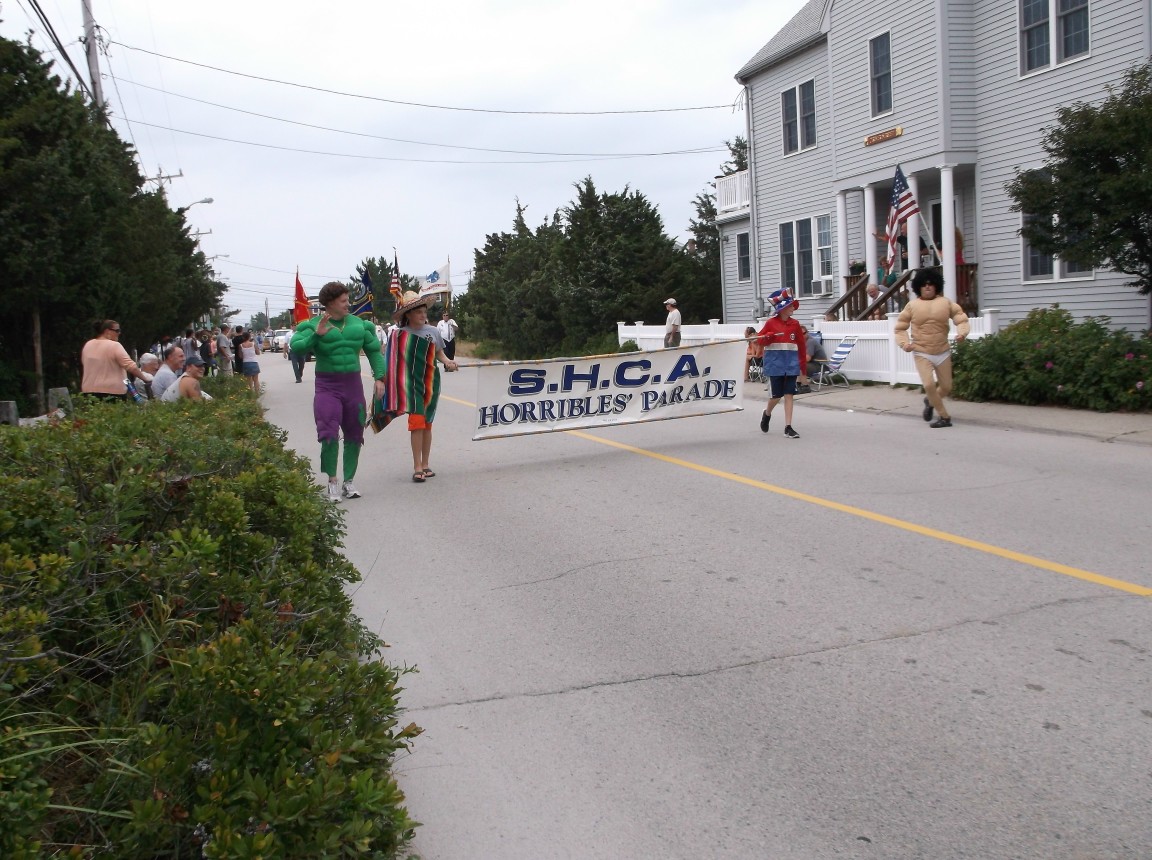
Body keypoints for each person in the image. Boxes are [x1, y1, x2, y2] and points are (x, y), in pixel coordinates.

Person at [290, 281, 386, 502]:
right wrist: (317, 334)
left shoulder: (360, 326)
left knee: (355, 434)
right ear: (330, 303)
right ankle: (332, 481)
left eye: (347, 300)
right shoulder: (310, 325)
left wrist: (380, 378)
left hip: (353, 386)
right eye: (343, 301)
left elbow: (374, 352)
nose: (348, 304)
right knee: (328, 433)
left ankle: (349, 481)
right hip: (327, 386)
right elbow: (296, 348)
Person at [383, 290, 459, 483]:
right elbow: (392, 362)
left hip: (431, 383)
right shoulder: (399, 335)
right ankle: (417, 466)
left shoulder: (433, 332)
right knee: (416, 423)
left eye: (424, 311)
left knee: (427, 424)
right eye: (418, 312)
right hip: (411, 385)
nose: (423, 315)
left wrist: (449, 362)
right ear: (408, 314)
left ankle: (426, 464)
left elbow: (440, 354)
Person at [894, 268, 970, 428]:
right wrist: (904, 344)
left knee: (947, 387)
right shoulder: (911, 306)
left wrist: (962, 333)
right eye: (924, 284)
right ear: (918, 287)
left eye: (930, 284)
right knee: (929, 385)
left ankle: (930, 401)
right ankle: (944, 417)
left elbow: (961, 319)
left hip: (942, 351)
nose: (927, 287)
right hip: (922, 351)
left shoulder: (946, 303)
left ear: (936, 285)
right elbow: (900, 328)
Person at [756, 289, 806, 439]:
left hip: (791, 365)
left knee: (789, 394)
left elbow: (801, 346)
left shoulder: (795, 324)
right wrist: (767, 337)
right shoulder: (771, 323)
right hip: (775, 365)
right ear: (783, 309)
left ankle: (788, 427)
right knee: (776, 396)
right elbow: (759, 339)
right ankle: (767, 413)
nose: (793, 308)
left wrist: (802, 367)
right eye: (791, 306)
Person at [80, 319, 152, 401]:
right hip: (112, 392)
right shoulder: (114, 346)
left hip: (88, 391)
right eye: (117, 330)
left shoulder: (88, 345)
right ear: (107, 331)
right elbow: (131, 366)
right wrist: (145, 379)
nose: (119, 333)